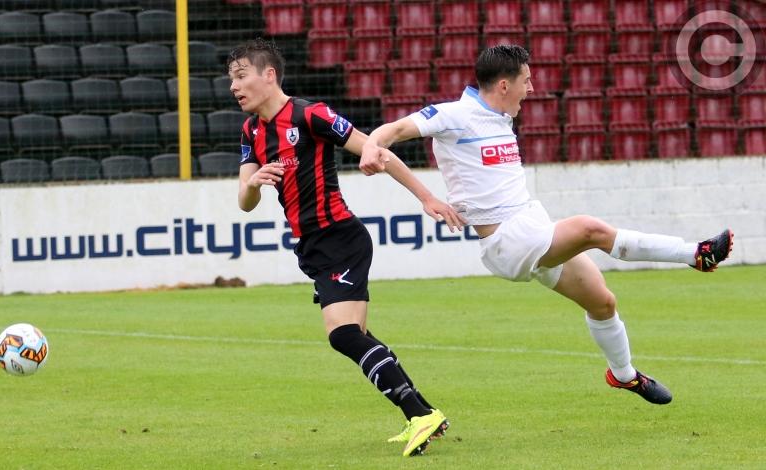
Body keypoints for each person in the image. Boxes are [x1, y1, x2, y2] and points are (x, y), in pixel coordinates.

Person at [360, 44, 734, 407]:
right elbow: (389, 132)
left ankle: (623, 375)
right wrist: (377, 152)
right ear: (504, 85)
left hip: (531, 225)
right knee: (591, 229)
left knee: (603, 303)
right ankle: (696, 254)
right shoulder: (454, 115)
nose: (532, 88)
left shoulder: (501, 117)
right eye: (527, 79)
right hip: (507, 241)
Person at [229, 38, 464, 457]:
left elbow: (375, 150)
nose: (234, 85)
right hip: (312, 248)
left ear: (269, 75)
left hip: (339, 236)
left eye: (241, 75)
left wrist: (426, 197)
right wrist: (253, 180)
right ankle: (423, 412)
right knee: (354, 335)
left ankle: (419, 414)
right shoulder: (251, 131)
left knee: (341, 335)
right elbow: (245, 203)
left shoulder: (310, 114)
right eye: (231, 77)